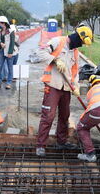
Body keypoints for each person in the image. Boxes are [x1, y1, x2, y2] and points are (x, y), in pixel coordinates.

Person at [36, 26, 93, 157]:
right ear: (77, 36)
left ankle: (61, 141)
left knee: (64, 115)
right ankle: (40, 145)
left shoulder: (75, 52)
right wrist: (55, 60)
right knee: (48, 115)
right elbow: (40, 53)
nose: (81, 45)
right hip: (53, 85)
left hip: (66, 88)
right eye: (82, 41)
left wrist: (76, 86)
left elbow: (75, 72)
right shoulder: (58, 41)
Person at [0, 16, 16, 89]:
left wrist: (10, 52)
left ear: (3, 23)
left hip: (9, 52)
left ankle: (9, 83)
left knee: (10, 67)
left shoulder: (11, 32)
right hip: (1, 51)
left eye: (0, 23)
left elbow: (12, 43)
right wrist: (0, 44)